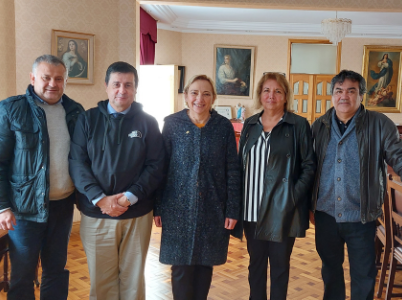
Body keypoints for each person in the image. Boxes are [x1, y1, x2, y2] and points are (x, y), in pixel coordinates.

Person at [0, 54, 84, 300]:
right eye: (46, 77)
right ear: (33, 78)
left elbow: (84, 160)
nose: (53, 84)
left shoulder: (75, 112)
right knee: (23, 275)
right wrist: (0, 206)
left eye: (59, 78)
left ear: (66, 81)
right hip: (22, 211)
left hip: (63, 206)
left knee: (56, 271)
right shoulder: (9, 109)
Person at [69, 61, 165, 300]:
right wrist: (100, 199)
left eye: (128, 85)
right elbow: (77, 163)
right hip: (95, 212)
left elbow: (156, 165)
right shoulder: (87, 119)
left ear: (135, 89)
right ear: (106, 86)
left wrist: (128, 198)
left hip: (137, 212)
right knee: (102, 281)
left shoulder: (148, 122)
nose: (122, 90)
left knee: (133, 280)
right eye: (116, 84)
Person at [311, 70, 402, 300]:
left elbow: (398, 158)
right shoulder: (319, 126)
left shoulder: (380, 124)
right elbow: (308, 168)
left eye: (351, 91)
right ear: (332, 95)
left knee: (363, 275)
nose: (344, 96)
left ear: (361, 95)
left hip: (361, 217)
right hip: (326, 215)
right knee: (330, 273)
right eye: (339, 91)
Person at [154, 75, 241, 300]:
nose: (199, 99)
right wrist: (158, 206)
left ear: (213, 98)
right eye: (194, 93)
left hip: (213, 207)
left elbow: (232, 169)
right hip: (177, 207)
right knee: (181, 266)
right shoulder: (172, 124)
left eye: (206, 93)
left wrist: (232, 209)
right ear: (185, 96)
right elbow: (161, 168)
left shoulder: (223, 126)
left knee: (205, 264)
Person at [234, 72, 316, 300]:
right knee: (255, 267)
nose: (271, 95)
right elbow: (241, 165)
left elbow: (309, 166)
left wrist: (292, 197)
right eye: (267, 90)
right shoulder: (250, 124)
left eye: (277, 91)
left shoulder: (298, 124)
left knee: (280, 268)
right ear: (260, 94)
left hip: (283, 210)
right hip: (252, 210)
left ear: (285, 96)